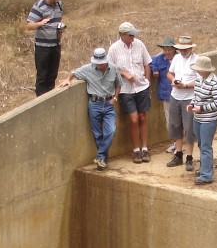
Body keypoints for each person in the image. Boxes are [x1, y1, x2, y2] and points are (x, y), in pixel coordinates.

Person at [57, 48, 122, 171]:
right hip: (94, 103)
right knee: (97, 133)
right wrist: (67, 79)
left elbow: (119, 84)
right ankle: (102, 160)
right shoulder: (88, 69)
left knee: (111, 131)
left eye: (101, 63)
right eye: (97, 63)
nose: (99, 65)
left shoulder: (113, 69)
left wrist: (115, 98)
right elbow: (74, 72)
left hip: (108, 103)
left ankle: (100, 156)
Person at [108, 22, 154, 164]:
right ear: (122, 35)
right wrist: (124, 74)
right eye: (130, 35)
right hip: (126, 89)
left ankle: (145, 148)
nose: (133, 37)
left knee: (143, 116)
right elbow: (110, 67)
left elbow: (147, 63)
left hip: (141, 87)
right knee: (133, 119)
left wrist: (147, 81)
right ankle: (135, 150)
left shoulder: (139, 44)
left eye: (133, 34)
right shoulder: (114, 49)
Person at [26, 0, 67, 96]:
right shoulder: (39, 6)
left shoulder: (59, 5)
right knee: (42, 76)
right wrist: (40, 23)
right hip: (43, 47)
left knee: (52, 75)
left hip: (56, 45)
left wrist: (60, 28)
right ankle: (40, 101)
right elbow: (29, 25)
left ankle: (50, 98)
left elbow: (57, 20)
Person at [165, 36, 199, 171]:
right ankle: (178, 154)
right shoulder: (177, 58)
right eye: (181, 49)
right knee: (175, 125)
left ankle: (189, 157)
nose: (183, 51)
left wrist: (185, 85)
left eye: (185, 49)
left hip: (189, 97)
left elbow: (200, 80)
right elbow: (169, 73)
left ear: (191, 48)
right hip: (175, 95)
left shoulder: (197, 60)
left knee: (189, 128)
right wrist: (173, 80)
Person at [188, 56, 217, 185]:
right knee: (201, 144)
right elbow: (196, 96)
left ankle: (206, 175)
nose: (198, 71)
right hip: (198, 118)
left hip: (209, 119)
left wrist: (201, 108)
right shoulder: (199, 79)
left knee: (205, 146)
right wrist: (192, 105)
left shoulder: (215, 82)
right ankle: (205, 168)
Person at [150, 38, 178, 154]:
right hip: (166, 95)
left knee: (180, 120)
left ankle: (180, 144)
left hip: (179, 94)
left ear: (174, 50)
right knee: (170, 121)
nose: (167, 52)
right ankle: (176, 144)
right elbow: (149, 62)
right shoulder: (159, 59)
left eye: (169, 50)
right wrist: (155, 69)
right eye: (165, 50)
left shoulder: (179, 59)